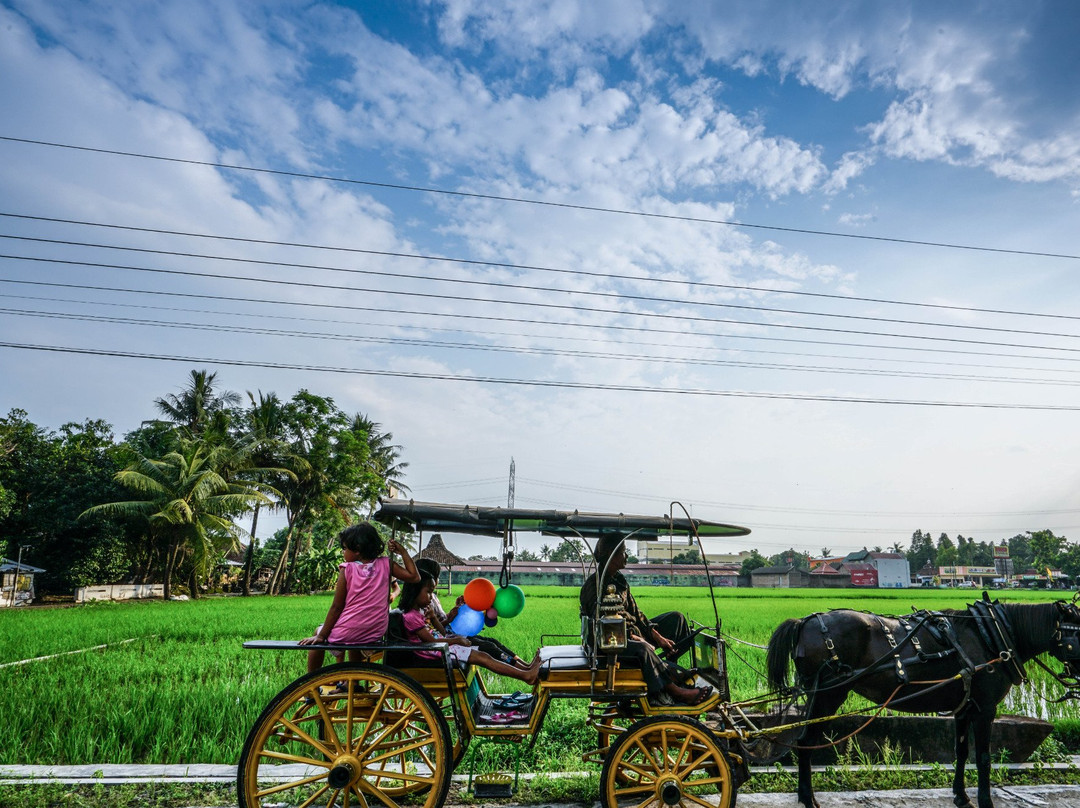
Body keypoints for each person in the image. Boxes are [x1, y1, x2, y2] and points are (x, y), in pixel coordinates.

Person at [579, 533, 711, 705]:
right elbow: (604, 626)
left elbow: (636, 613)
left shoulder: (619, 580)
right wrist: (637, 638)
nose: (626, 556)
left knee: (676, 619)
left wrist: (656, 635)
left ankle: (666, 672)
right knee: (642, 649)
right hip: (611, 645)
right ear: (612, 554)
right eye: (623, 552)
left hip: (630, 635)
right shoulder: (593, 587)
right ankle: (673, 691)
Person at [299, 523, 420, 673]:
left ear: (357, 549)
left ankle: (311, 682)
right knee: (354, 639)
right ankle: (353, 682)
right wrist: (403, 552)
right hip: (376, 631)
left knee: (318, 634)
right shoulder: (387, 564)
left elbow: (337, 607)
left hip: (351, 630)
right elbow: (414, 577)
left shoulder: (347, 569)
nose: (343, 552)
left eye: (344, 548)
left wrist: (322, 635)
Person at [398, 573, 542, 686]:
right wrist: (456, 640)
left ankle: (526, 669)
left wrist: (435, 619)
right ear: (414, 592)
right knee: (484, 656)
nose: (431, 597)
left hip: (441, 646)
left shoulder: (420, 612)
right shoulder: (411, 617)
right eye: (428, 592)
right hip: (436, 651)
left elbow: (440, 633)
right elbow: (430, 641)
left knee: (487, 650)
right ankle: (526, 676)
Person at [414, 558, 530, 668]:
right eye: (437, 576)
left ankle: (524, 665)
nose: (437, 580)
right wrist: (449, 620)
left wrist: (456, 608)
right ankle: (523, 669)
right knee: (489, 647)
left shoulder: (431, 596)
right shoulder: (422, 601)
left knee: (493, 641)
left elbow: (441, 620)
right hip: (449, 636)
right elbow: (433, 629)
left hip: (451, 633)